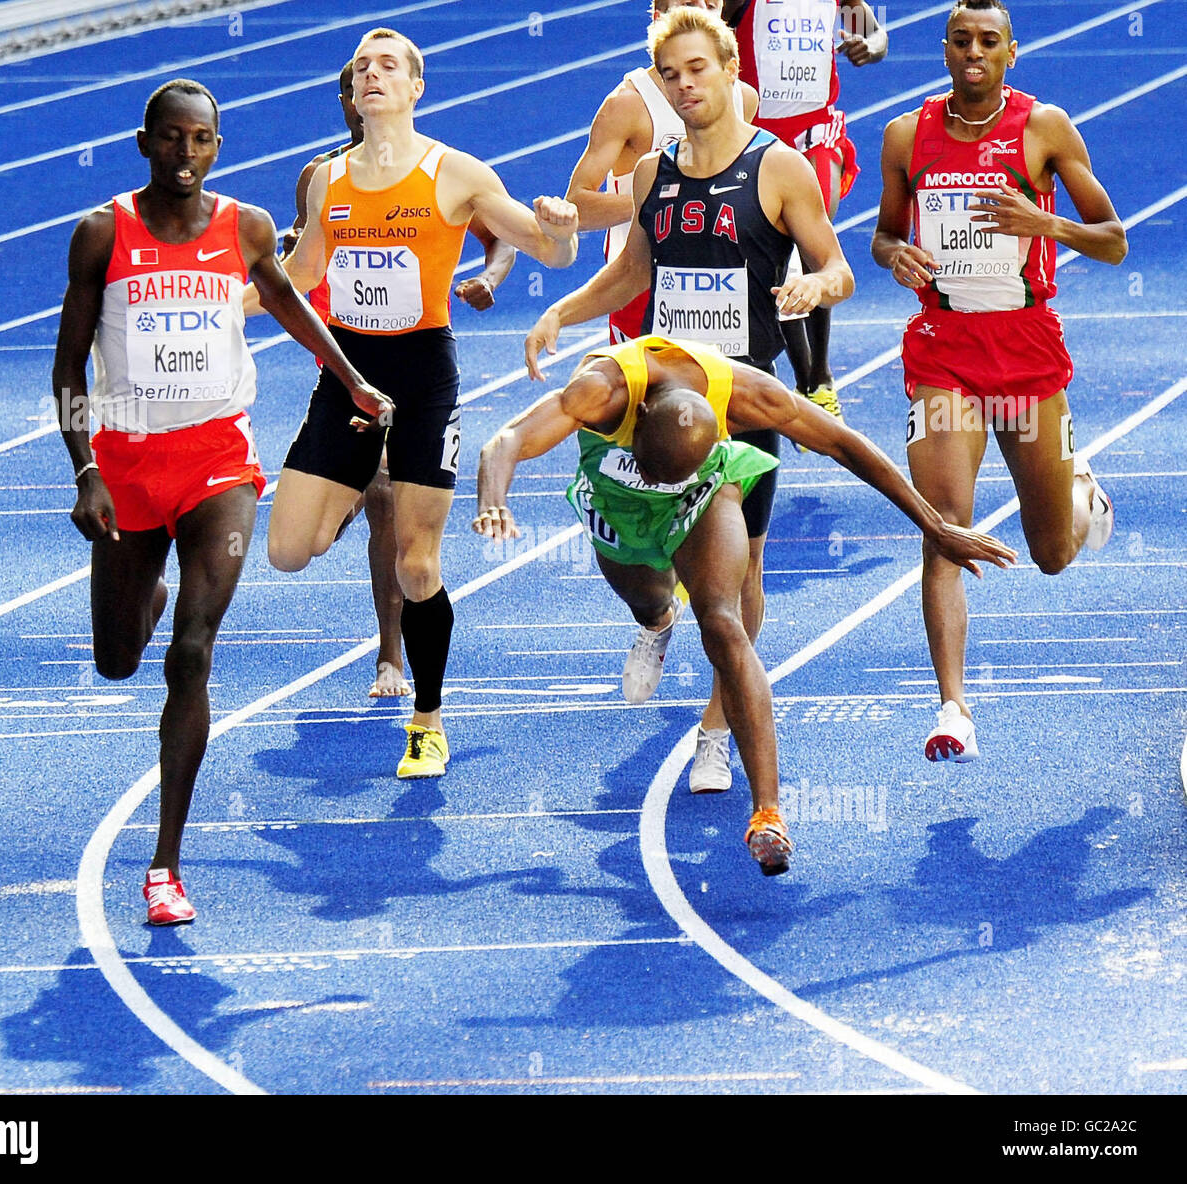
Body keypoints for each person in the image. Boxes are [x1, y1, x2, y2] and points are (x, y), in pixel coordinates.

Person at [474, 335, 1016, 874]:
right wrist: (493, 500)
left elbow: (844, 444)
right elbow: (507, 438)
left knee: (723, 624)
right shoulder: (602, 388)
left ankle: (768, 813)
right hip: (617, 506)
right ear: (636, 416)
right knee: (647, 598)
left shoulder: (750, 394)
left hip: (702, 499)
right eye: (660, 469)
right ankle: (659, 621)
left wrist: (935, 525)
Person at [51, 80, 391, 925]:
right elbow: (66, 368)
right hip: (128, 468)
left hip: (216, 464)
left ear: (218, 147)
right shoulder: (102, 233)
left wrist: (351, 380)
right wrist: (83, 470)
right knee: (118, 659)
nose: (185, 154)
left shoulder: (243, 228)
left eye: (201, 140)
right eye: (171, 139)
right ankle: (145, 593)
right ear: (144, 143)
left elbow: (285, 299)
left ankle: (165, 865)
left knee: (192, 655)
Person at [526, 5, 851, 793]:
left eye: (696, 69)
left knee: (738, 584)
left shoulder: (779, 168)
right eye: (670, 75)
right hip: (658, 394)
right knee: (637, 556)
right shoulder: (652, 173)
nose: (683, 85)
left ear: (732, 70)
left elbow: (838, 267)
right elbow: (635, 273)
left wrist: (812, 283)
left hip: (740, 400)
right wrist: (562, 311)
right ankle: (654, 621)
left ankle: (715, 729)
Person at [249, 27, 578, 780]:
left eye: (388, 65)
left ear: (415, 87)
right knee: (289, 551)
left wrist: (559, 237)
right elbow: (297, 274)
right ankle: (356, 486)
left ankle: (427, 720)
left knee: (417, 567)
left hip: (423, 376)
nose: (372, 74)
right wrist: (220, 305)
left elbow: (544, 249)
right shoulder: (325, 183)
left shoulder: (454, 172)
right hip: (348, 372)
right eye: (362, 66)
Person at [871, 0, 1125, 762]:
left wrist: (1042, 223)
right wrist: (894, 255)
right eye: (961, 40)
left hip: (1027, 352)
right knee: (943, 523)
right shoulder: (906, 135)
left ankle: (1082, 493)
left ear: (1012, 52)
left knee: (1051, 553)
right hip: (943, 350)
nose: (974, 51)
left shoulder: (1044, 128)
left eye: (989, 41)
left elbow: (1112, 239)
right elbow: (884, 231)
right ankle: (954, 709)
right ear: (943, 49)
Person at [282, 58, 516, 699]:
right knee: (309, 535)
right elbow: (300, 267)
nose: (360, 96)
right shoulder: (321, 176)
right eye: (350, 87)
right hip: (341, 359)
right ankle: (341, 498)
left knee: (392, 512)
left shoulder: (435, 172)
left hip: (410, 366)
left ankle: (394, 657)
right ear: (343, 102)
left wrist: (488, 278)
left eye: (378, 78)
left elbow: (500, 235)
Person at [723, 0, 887, 431]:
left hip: (818, 132)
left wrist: (868, 45)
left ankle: (820, 377)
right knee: (778, 247)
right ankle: (804, 374)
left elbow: (874, 32)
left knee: (812, 237)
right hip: (756, 133)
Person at [563, 0, 759, 344]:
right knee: (647, 398)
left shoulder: (744, 98)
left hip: (720, 283)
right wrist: (657, 203)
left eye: (710, 5)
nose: (699, 12)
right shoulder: (629, 105)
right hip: (643, 283)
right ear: (658, 19)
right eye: (687, 4)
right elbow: (577, 204)